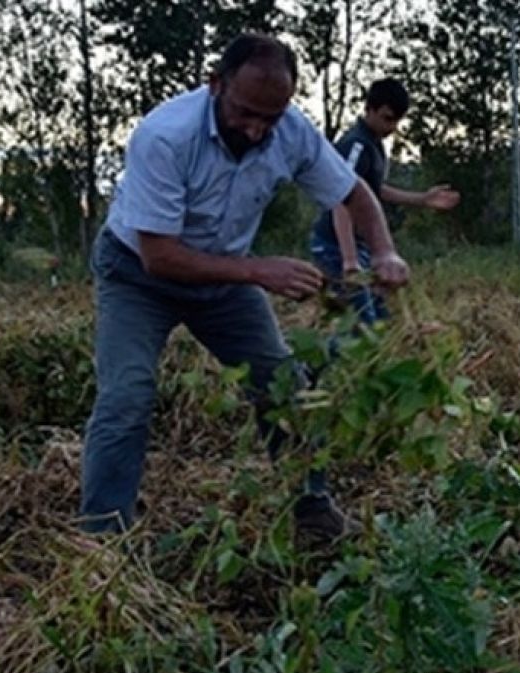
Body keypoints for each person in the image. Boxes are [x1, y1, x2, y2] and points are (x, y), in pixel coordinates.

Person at [79, 34, 409, 541]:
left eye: (270, 118)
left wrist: (383, 251)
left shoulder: (292, 132)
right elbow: (159, 255)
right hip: (138, 275)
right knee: (127, 395)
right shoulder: (165, 136)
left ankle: (312, 512)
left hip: (223, 278)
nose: (256, 130)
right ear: (216, 85)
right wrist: (258, 271)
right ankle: (103, 538)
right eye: (245, 113)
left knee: (286, 387)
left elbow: (355, 194)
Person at [310, 78, 459, 325]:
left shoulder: (374, 144)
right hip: (335, 246)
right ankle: (325, 363)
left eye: (397, 121)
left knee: (378, 317)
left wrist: (422, 199)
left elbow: (372, 192)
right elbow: (341, 199)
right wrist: (349, 261)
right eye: (387, 118)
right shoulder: (355, 145)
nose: (392, 127)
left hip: (359, 246)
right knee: (359, 323)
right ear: (369, 109)